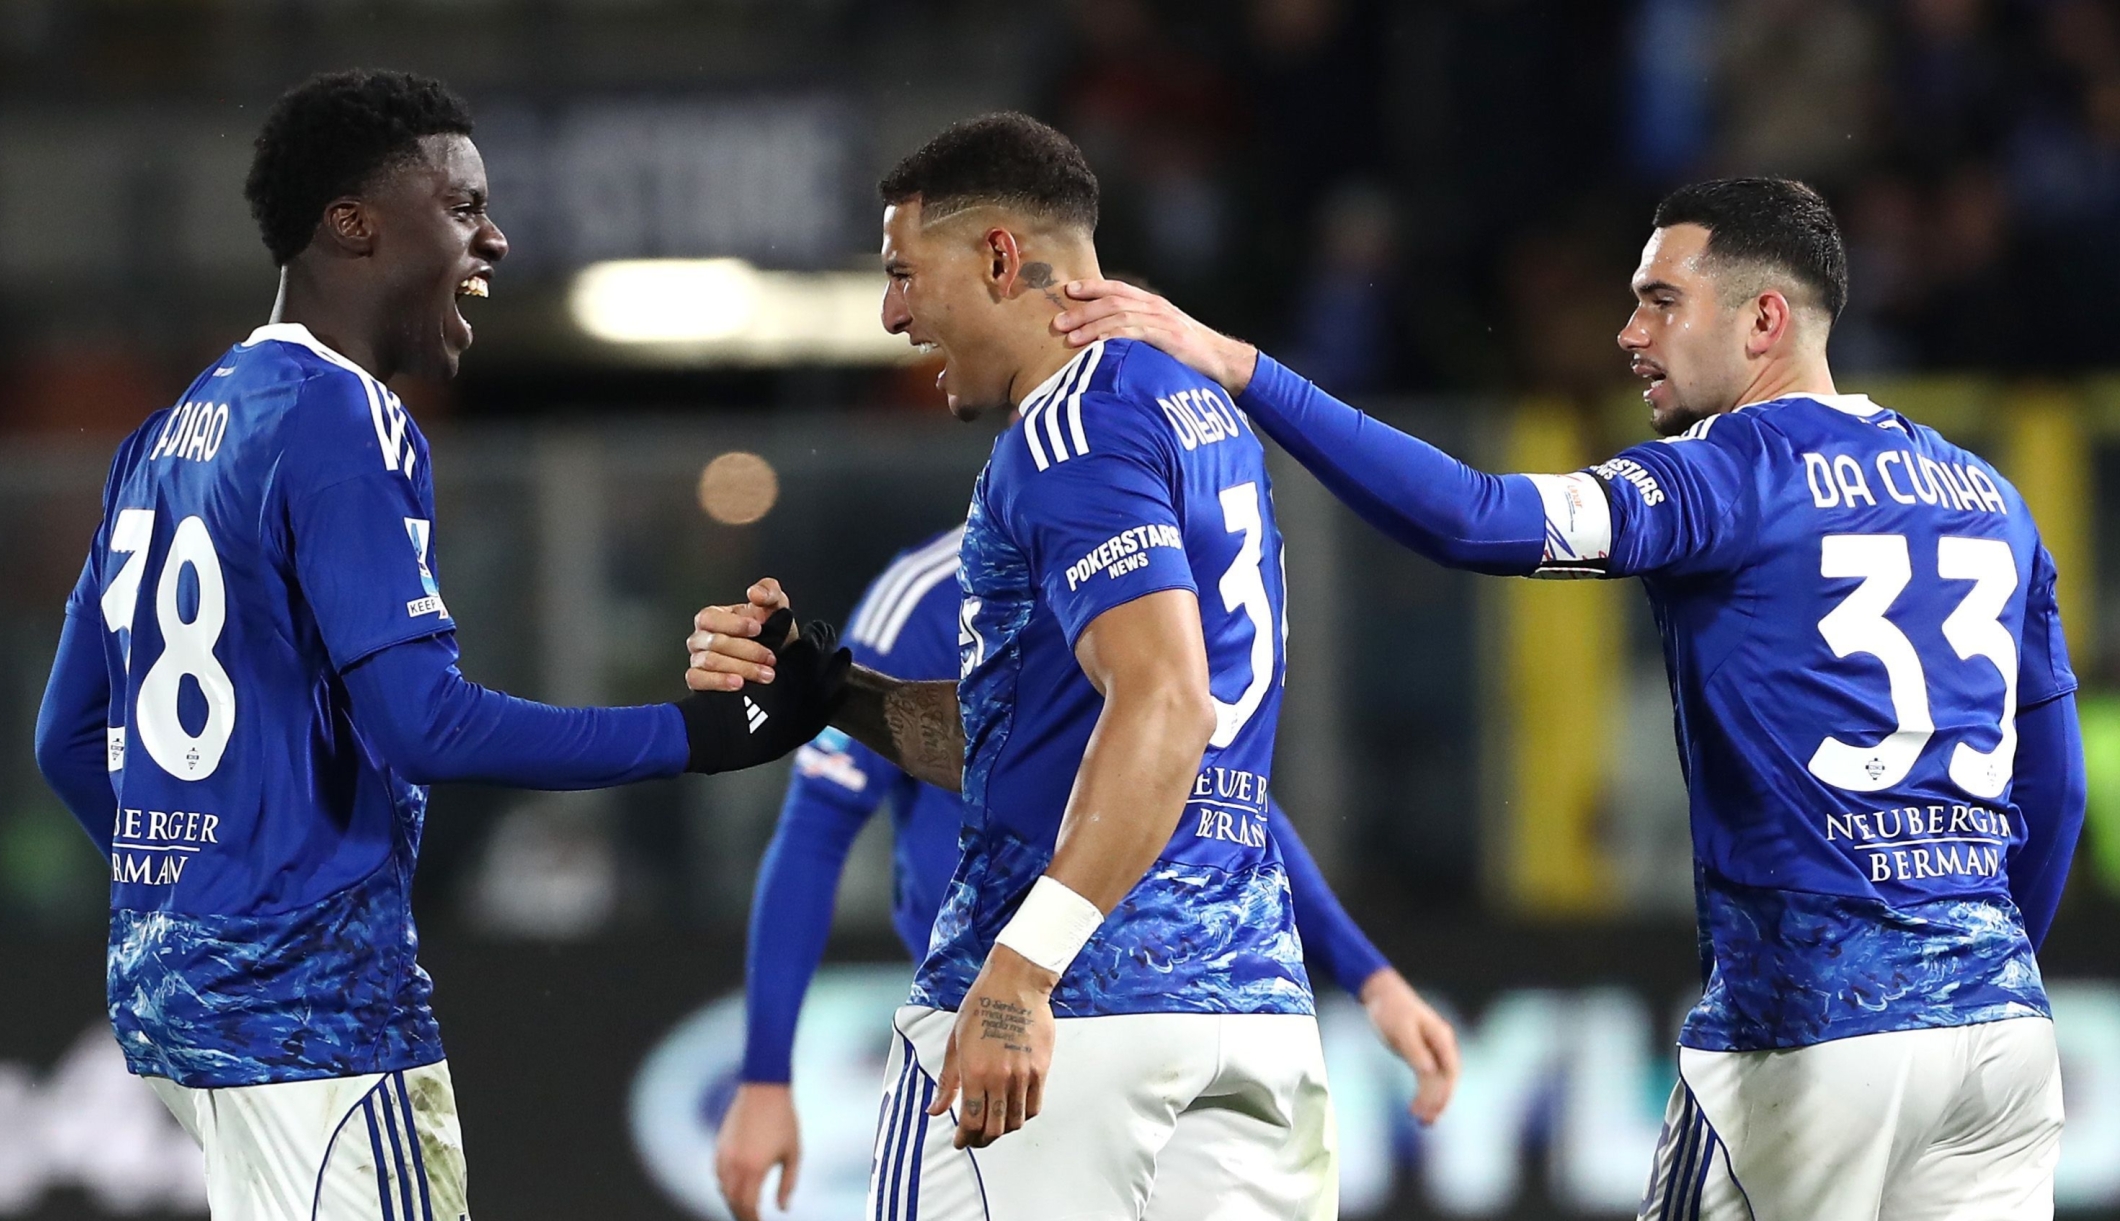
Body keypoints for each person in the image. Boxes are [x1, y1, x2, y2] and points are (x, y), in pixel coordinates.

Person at [1050, 178, 2084, 1219]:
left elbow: (1473, 517)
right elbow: (2057, 790)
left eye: (1663, 301)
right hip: (2000, 1038)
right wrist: (1968, 982)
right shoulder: (1992, 497)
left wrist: (1242, 368)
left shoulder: (1726, 476)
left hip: (1813, 1030)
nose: (1630, 332)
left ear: (1765, 318)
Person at [30, 70, 840, 1221]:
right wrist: (706, 733)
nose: (495, 235)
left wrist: (201, 893)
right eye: (461, 206)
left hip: (178, 999)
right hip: (317, 1015)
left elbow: (67, 741)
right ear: (353, 225)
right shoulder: (342, 417)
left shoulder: (162, 439)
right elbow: (424, 722)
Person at [688, 113, 1355, 1219]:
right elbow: (1065, 738)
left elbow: (1166, 700)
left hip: (1070, 1023)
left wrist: (1022, 969)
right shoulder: (1195, 414)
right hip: (1249, 1019)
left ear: (1000, 257)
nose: (894, 313)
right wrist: (835, 692)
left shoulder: (1069, 430)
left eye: (905, 274)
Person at [714, 526, 1460, 1221]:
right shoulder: (963, 591)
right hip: (1139, 1018)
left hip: (1024, 1022)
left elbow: (1205, 791)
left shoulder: (1135, 569)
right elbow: (1213, 785)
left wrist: (1371, 977)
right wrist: (765, 1074)